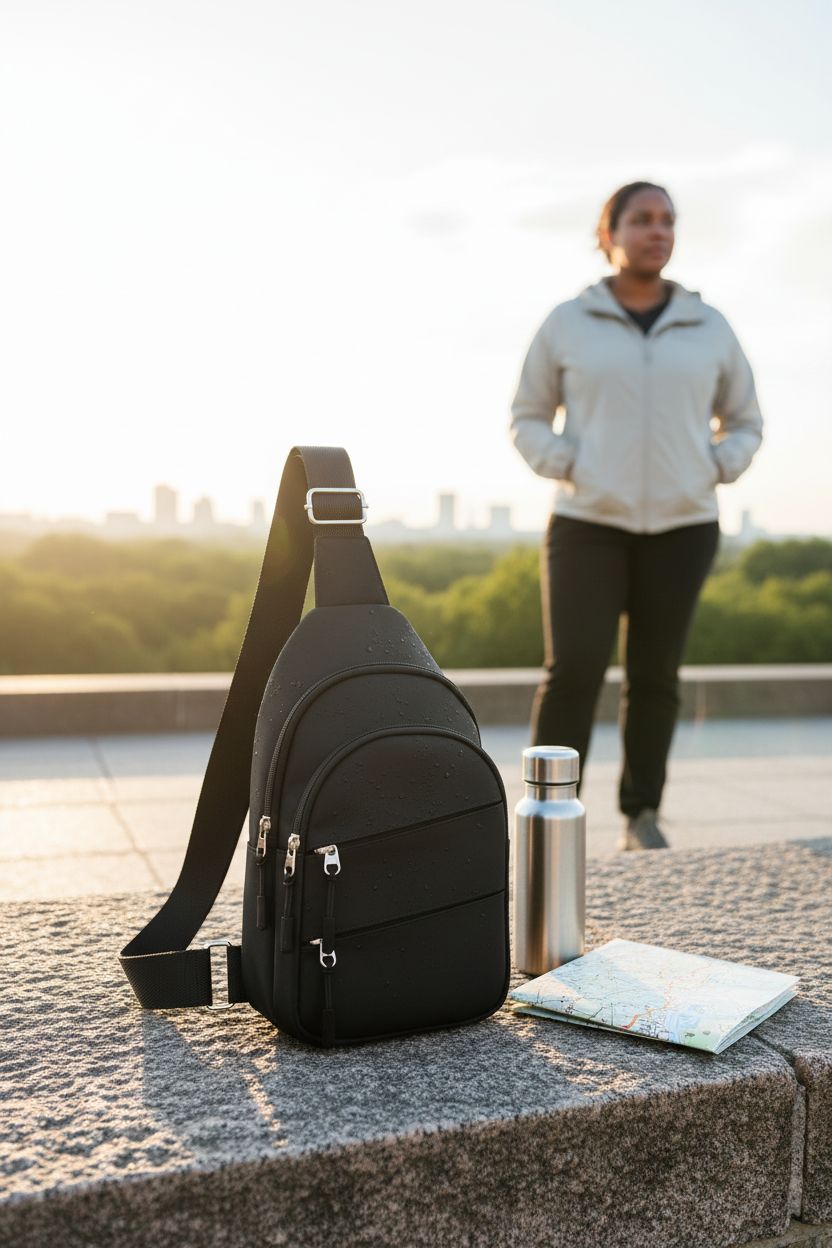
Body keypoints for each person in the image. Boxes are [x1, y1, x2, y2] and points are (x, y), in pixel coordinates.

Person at [510, 180, 763, 850]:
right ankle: (545, 819)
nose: (658, 231)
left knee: (656, 676)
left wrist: (713, 466)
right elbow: (527, 415)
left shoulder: (709, 326)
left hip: (683, 526)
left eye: (668, 221)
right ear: (610, 233)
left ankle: (640, 816)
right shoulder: (569, 320)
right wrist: (571, 464)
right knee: (574, 672)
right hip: (587, 520)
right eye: (643, 220)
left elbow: (745, 420)